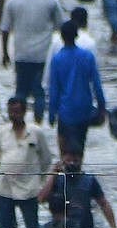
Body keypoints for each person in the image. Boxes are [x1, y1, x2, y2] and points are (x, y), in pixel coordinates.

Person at [0, 98, 51, 228]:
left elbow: (46, 160)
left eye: (17, 111)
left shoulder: (35, 133)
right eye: (11, 112)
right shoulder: (2, 133)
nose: (14, 115)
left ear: (25, 112)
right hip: (5, 188)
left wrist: (37, 179)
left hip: (29, 189)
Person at [0, 0, 66, 120]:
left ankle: (18, 121)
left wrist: (4, 52)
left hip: (21, 53)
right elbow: (60, 26)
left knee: (21, 90)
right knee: (39, 91)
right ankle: (38, 124)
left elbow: (4, 28)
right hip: (43, 55)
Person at [45, 21, 110, 156]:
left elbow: (54, 90)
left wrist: (51, 113)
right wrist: (102, 107)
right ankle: (78, 171)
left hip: (65, 110)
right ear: (76, 36)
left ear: (62, 37)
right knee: (79, 145)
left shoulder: (57, 59)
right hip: (84, 108)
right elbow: (97, 84)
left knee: (65, 147)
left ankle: (66, 173)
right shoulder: (87, 56)